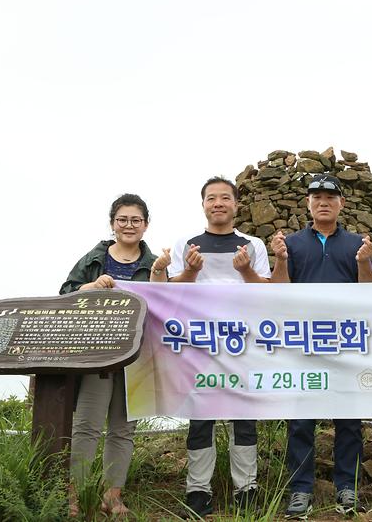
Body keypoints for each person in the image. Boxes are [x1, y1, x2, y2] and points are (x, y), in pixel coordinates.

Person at [155, 176, 271, 518]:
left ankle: (246, 489)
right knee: (200, 417)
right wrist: (190, 272)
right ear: (203, 204)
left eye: (224, 198)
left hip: (243, 342)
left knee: (244, 418)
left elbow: (268, 294)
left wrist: (247, 269)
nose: (218, 203)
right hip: (198, 345)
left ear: (236, 204)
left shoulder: (252, 245)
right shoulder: (185, 244)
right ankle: (197, 491)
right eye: (211, 198)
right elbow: (173, 295)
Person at [270, 173, 372, 519]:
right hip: (303, 347)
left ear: (341, 203)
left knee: (348, 419)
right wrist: (282, 259)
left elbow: (371, 290)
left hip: (347, 346)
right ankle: (300, 490)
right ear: (308, 204)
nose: (323, 202)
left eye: (330, 197)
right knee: (301, 420)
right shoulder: (293, 244)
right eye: (316, 197)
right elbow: (279, 290)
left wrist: (364, 262)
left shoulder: (356, 244)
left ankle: (348, 486)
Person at [60, 193, 166, 517]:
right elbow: (65, 294)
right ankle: (74, 496)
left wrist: (160, 273)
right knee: (87, 425)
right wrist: (92, 286)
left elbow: (167, 304)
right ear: (112, 224)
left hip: (138, 358)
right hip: (97, 356)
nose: (129, 225)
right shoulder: (94, 259)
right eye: (123, 219)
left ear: (146, 225)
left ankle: (112, 496)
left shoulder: (153, 263)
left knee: (123, 429)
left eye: (136, 220)